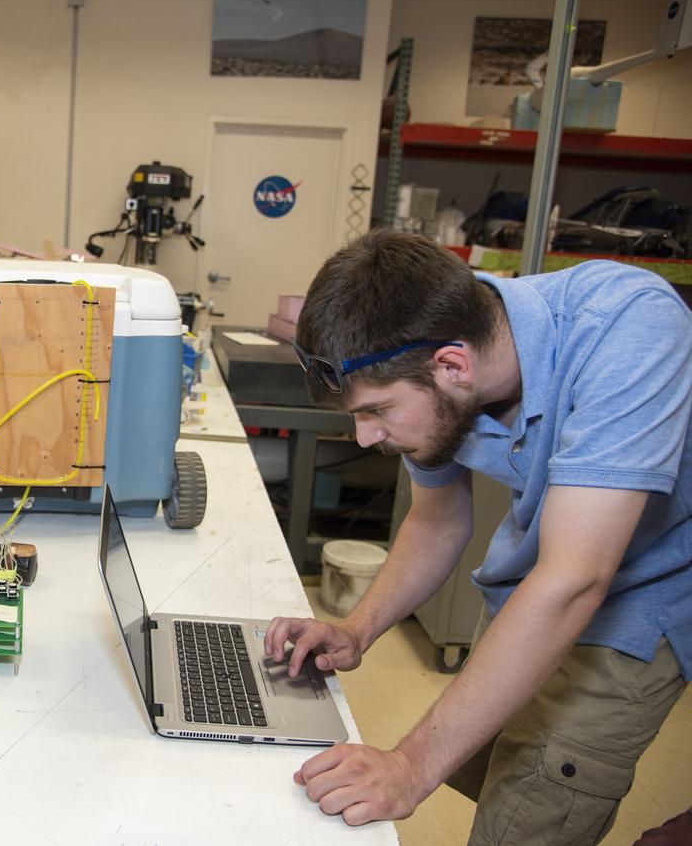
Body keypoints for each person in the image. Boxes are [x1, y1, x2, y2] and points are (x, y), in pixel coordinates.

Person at [268, 230, 690, 843]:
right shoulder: (441, 364)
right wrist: (356, 630)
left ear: (453, 365)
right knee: (495, 769)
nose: (364, 438)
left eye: (377, 411)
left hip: (636, 606)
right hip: (536, 585)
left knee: (533, 805)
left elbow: (575, 580)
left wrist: (409, 767)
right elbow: (437, 522)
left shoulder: (630, 330)